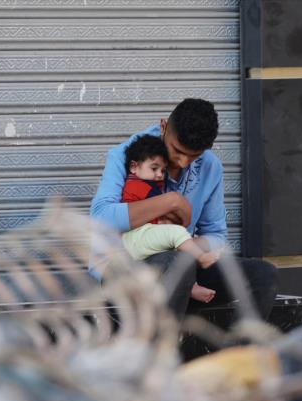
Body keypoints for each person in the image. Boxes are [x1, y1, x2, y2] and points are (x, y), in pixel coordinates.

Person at [90, 98, 279, 324]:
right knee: (174, 264)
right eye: (177, 150)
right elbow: (101, 219)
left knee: (263, 275)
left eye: (194, 156)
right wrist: (171, 201)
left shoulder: (210, 167)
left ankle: (235, 354)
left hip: (183, 268)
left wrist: (189, 247)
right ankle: (162, 355)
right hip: (126, 270)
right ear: (163, 127)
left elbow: (216, 236)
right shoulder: (128, 155)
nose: (183, 162)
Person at [118, 134, 220, 303]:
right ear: (134, 167)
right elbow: (157, 215)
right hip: (134, 239)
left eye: (163, 170)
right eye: (154, 168)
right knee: (177, 233)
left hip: (141, 237)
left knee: (180, 244)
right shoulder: (138, 186)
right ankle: (202, 259)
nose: (159, 174)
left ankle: (190, 286)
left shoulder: (150, 186)